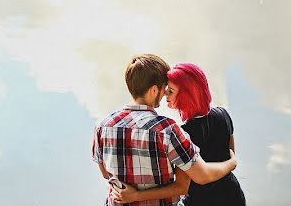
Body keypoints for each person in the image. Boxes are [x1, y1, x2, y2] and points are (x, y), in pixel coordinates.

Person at [93, 54, 238, 206]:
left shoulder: (102, 125)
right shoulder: (168, 130)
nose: (165, 94)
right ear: (154, 90)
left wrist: (131, 190)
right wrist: (232, 163)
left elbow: (105, 173)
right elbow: (188, 183)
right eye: (165, 88)